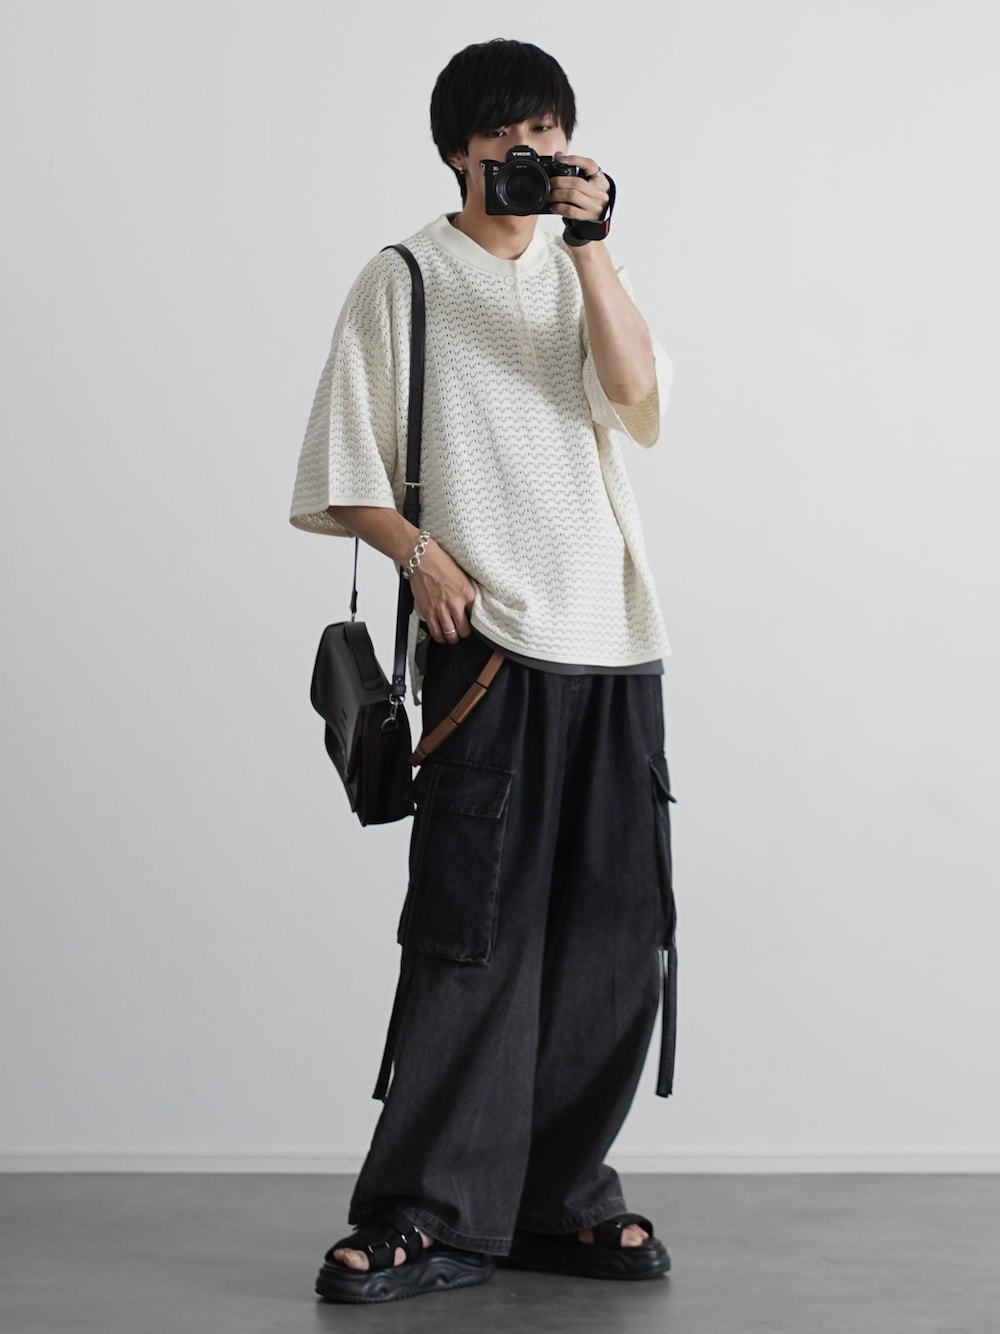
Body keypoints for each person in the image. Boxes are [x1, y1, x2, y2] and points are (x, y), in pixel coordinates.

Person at [290, 37, 678, 1305]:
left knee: (613, 934)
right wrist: (417, 553)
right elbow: (341, 465)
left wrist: (595, 245)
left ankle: (558, 1200)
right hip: (490, 647)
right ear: (458, 148)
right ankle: (427, 1210)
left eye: (548, 133)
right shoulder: (402, 278)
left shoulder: (583, 270)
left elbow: (636, 395)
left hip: (616, 637)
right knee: (473, 932)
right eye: (506, 135)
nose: (529, 154)